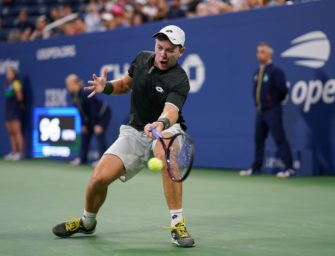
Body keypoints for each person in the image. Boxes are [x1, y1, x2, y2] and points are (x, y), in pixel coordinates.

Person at [52, 25, 195, 248]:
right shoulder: (141, 60)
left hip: (165, 128)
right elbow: (124, 85)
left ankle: (177, 225)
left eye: (169, 50)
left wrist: (160, 123)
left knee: (166, 153)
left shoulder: (179, 79)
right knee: (99, 178)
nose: (163, 54)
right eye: (159, 48)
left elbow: (171, 111)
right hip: (135, 131)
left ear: (181, 51)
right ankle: (87, 223)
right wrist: (106, 86)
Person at [240, 42, 295, 178]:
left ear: (269, 54)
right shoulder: (257, 72)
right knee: (258, 140)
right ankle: (256, 168)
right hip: (260, 112)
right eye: (258, 51)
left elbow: (283, 90)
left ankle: (289, 168)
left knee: (279, 139)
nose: (259, 54)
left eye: (262, 51)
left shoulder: (276, 71)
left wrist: (273, 102)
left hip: (272, 111)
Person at [65, 74, 111, 166]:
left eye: (68, 84)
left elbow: (93, 109)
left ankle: (103, 161)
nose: (67, 87)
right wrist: (84, 124)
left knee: (99, 134)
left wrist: (97, 124)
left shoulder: (84, 93)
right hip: (91, 118)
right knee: (85, 134)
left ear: (74, 83)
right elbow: (81, 111)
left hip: (102, 114)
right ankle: (82, 159)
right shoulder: (73, 95)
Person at [3, 67, 25, 161]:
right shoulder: (6, 84)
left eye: (10, 73)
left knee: (17, 131)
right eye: (7, 73)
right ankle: (14, 152)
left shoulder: (16, 83)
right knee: (10, 132)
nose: (8, 75)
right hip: (8, 110)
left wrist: (20, 104)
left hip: (15, 110)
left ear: (14, 74)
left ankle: (21, 153)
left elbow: (19, 96)